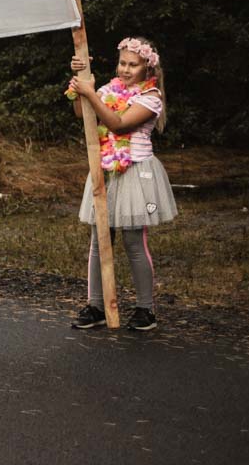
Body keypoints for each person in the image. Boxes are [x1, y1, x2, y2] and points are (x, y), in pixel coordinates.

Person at [66, 36, 176, 331]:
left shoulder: (151, 97)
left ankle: (145, 309)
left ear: (146, 68)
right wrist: (82, 82)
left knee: (132, 242)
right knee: (99, 239)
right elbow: (82, 113)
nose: (126, 69)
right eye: (122, 63)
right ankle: (96, 306)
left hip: (135, 174)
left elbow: (117, 123)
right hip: (105, 171)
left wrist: (90, 93)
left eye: (133, 64)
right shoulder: (108, 90)